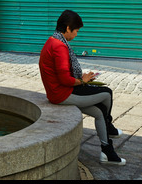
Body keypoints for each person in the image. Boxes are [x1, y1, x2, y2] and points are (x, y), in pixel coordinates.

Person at [39, 9, 126, 165]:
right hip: (63, 94)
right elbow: (65, 79)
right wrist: (83, 81)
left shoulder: (52, 40)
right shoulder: (60, 47)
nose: (77, 34)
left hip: (57, 91)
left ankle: (107, 152)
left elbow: (64, 73)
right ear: (67, 28)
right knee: (106, 93)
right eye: (76, 31)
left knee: (99, 112)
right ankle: (110, 127)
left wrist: (83, 78)